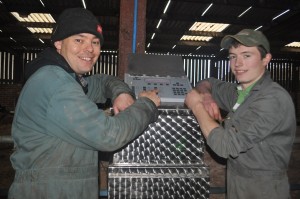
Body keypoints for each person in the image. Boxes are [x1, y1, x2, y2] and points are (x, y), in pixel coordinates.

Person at [8, 8, 160, 199]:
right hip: (49, 191)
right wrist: (147, 104)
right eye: (79, 40)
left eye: (95, 42)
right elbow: (109, 135)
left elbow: (103, 81)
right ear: (59, 43)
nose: (89, 49)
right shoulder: (55, 83)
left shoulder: (67, 78)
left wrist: (120, 92)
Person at [185, 29, 296, 199]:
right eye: (232, 56)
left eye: (247, 55)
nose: (237, 63)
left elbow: (226, 146)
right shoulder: (241, 93)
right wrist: (206, 95)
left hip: (263, 190)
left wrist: (197, 106)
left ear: (266, 59)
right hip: (238, 183)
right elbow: (208, 82)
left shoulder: (273, 99)